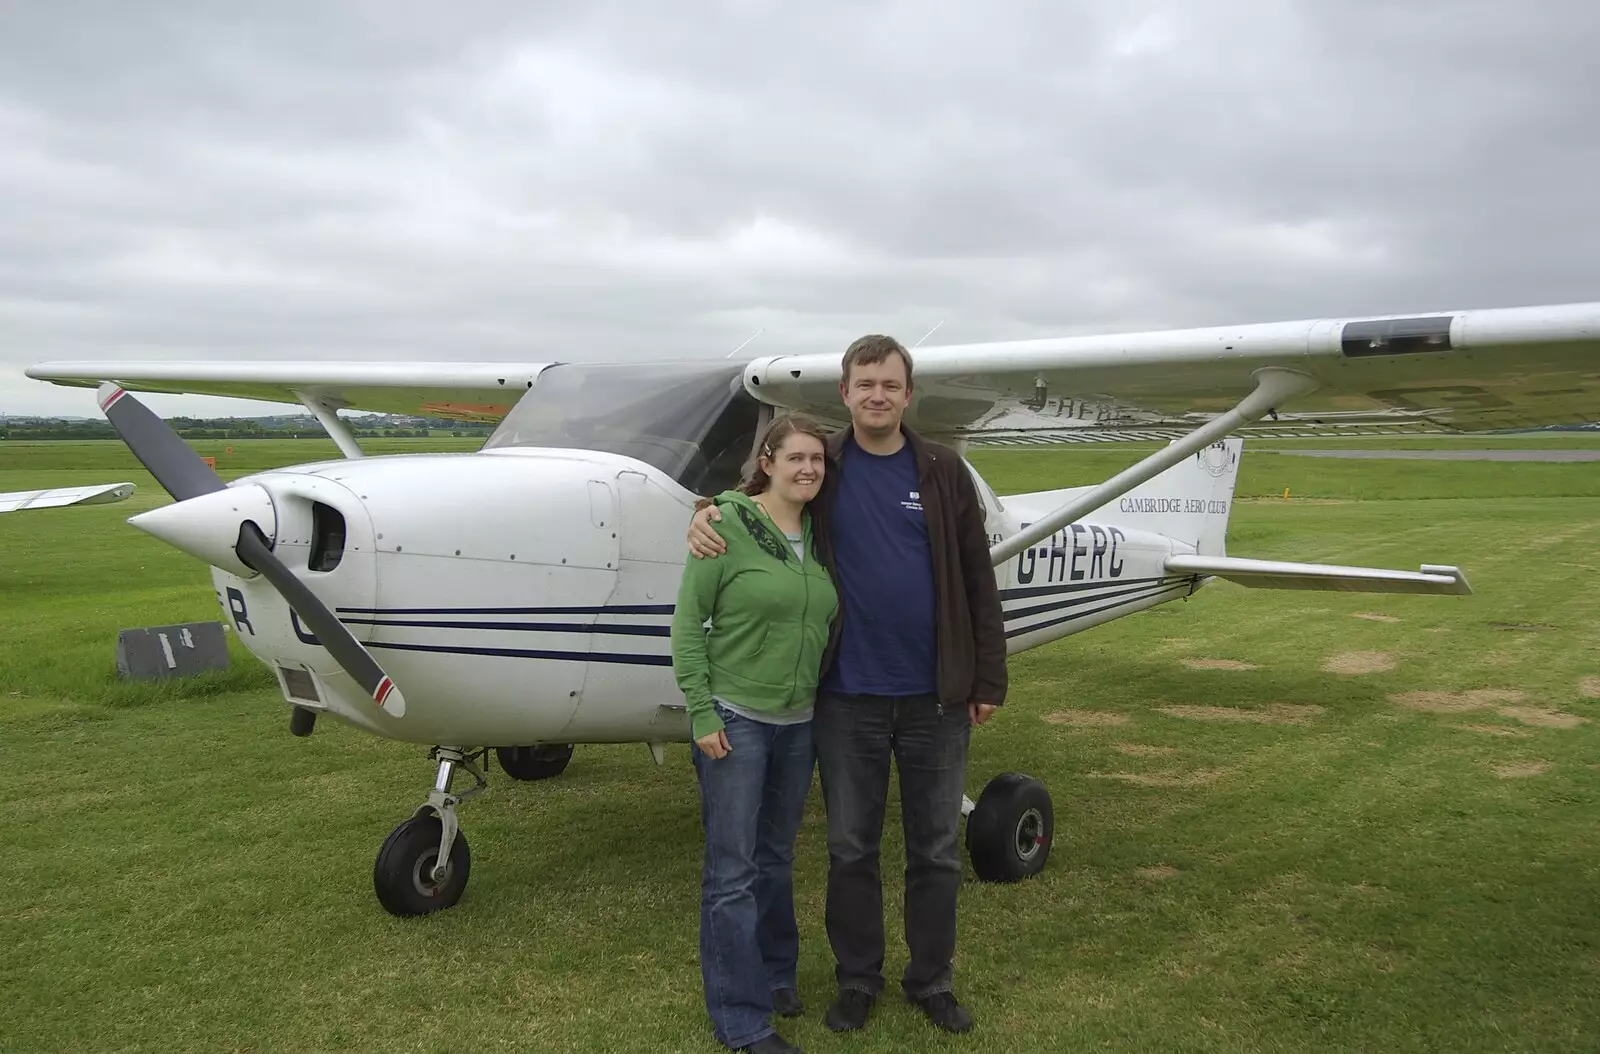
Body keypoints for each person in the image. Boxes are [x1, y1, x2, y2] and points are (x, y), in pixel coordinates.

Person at [687, 335, 1007, 1036]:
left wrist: (988, 675)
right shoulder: (822, 463)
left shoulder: (943, 470)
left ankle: (931, 979)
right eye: (865, 384)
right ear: (845, 393)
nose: (877, 396)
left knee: (934, 849)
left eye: (890, 385)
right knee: (850, 848)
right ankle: (857, 978)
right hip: (845, 696)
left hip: (936, 697)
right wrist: (705, 511)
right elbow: (760, 497)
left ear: (907, 393)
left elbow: (979, 581)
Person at [671, 413, 840, 1054]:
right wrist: (701, 711)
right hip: (736, 718)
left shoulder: (823, 533)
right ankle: (742, 1020)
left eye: (816, 461)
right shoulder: (727, 525)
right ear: (766, 461)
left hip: (799, 722)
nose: (807, 469)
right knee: (732, 872)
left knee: (777, 858)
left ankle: (775, 975)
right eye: (794, 458)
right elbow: (688, 625)